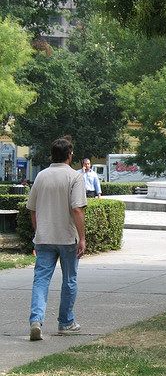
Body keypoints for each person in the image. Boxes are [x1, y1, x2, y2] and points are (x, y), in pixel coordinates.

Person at [26, 138, 87, 341]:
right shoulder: (74, 177)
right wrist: (82, 238)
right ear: (69, 155)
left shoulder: (41, 176)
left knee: (41, 279)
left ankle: (36, 320)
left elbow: (33, 209)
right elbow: (77, 209)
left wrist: (38, 232)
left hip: (44, 237)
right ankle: (66, 322)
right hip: (67, 237)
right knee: (69, 280)